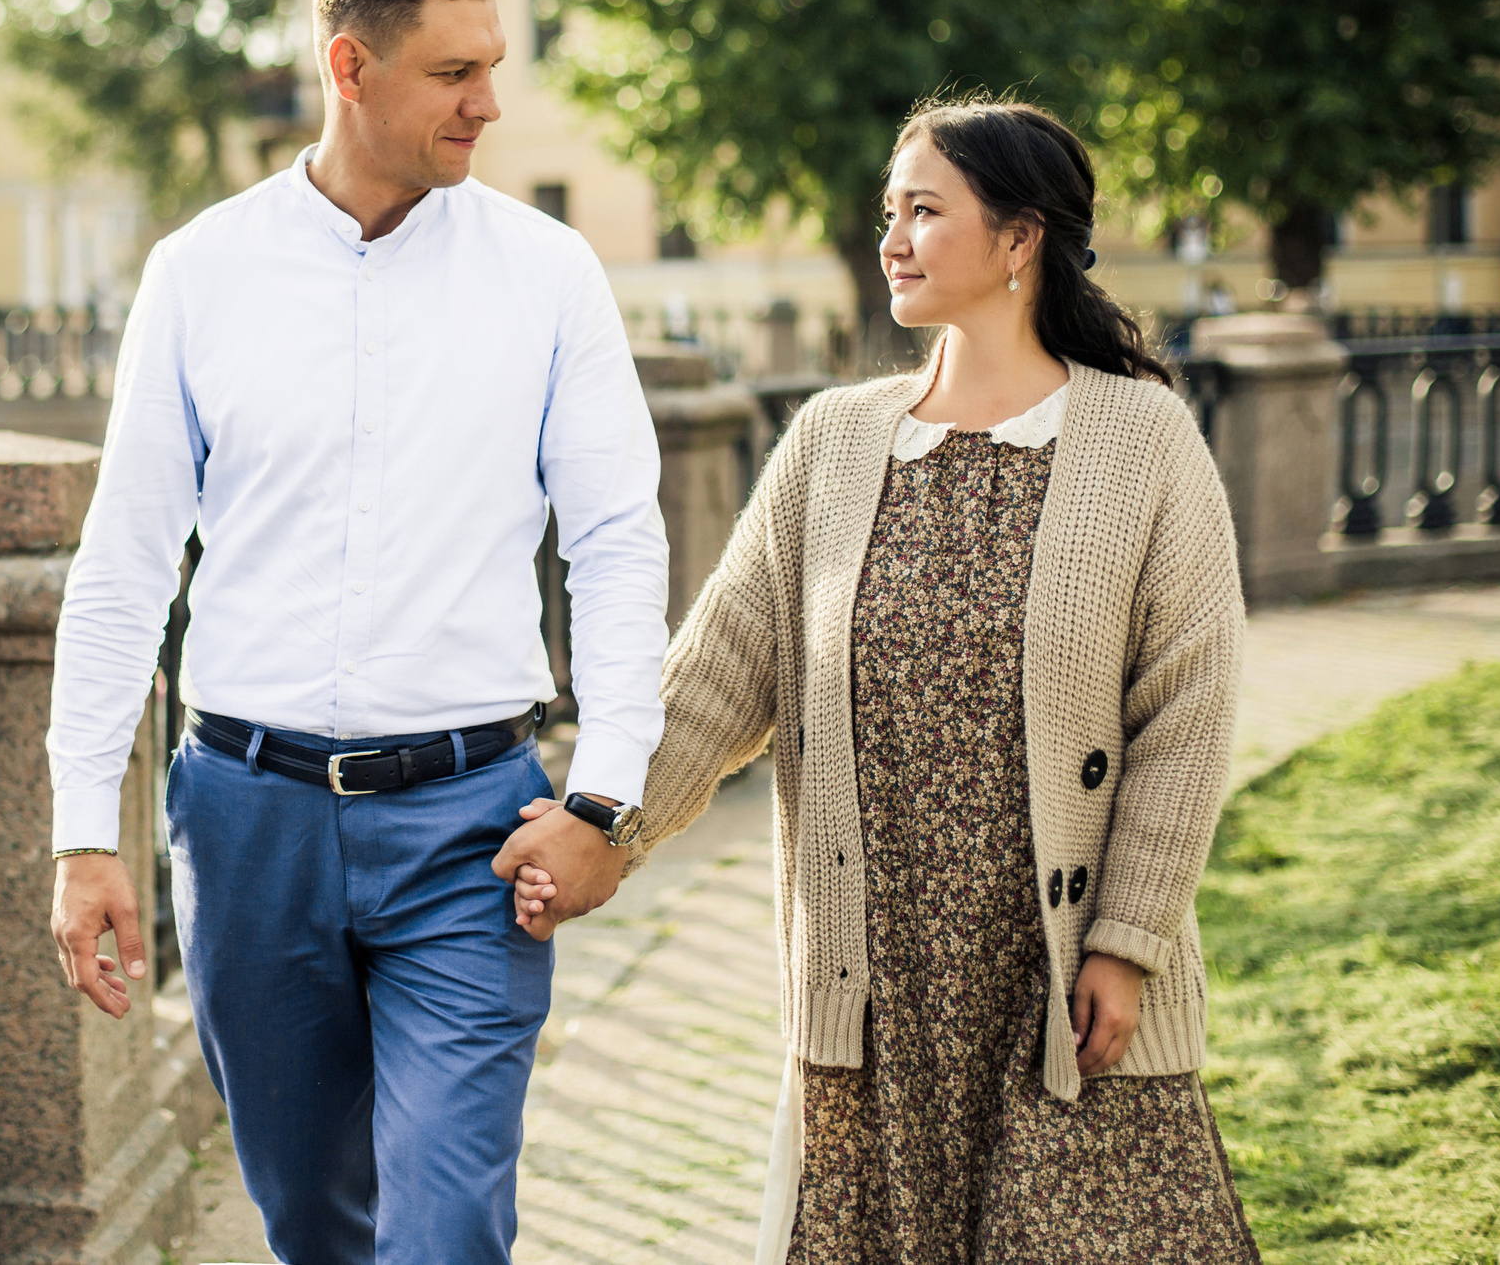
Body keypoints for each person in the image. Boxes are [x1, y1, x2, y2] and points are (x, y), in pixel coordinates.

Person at [515, 97, 1259, 1262]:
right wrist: (602, 825)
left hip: (1054, 977)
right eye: (888, 212)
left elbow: (1187, 713)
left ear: (1020, 239)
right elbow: (717, 677)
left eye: (926, 211)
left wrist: (1128, 939)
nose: (893, 239)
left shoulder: (1142, 439)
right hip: (881, 976)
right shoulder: (833, 440)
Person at [45, 0, 671, 1265]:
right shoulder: (201, 273)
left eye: (491, 65)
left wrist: (608, 797)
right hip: (246, 821)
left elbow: (618, 536)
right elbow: (127, 558)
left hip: (472, 830)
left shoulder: (550, 274)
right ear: (351, 66)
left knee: (442, 1232)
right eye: (455, 74)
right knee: (317, 1227)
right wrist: (84, 826)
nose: (489, 104)